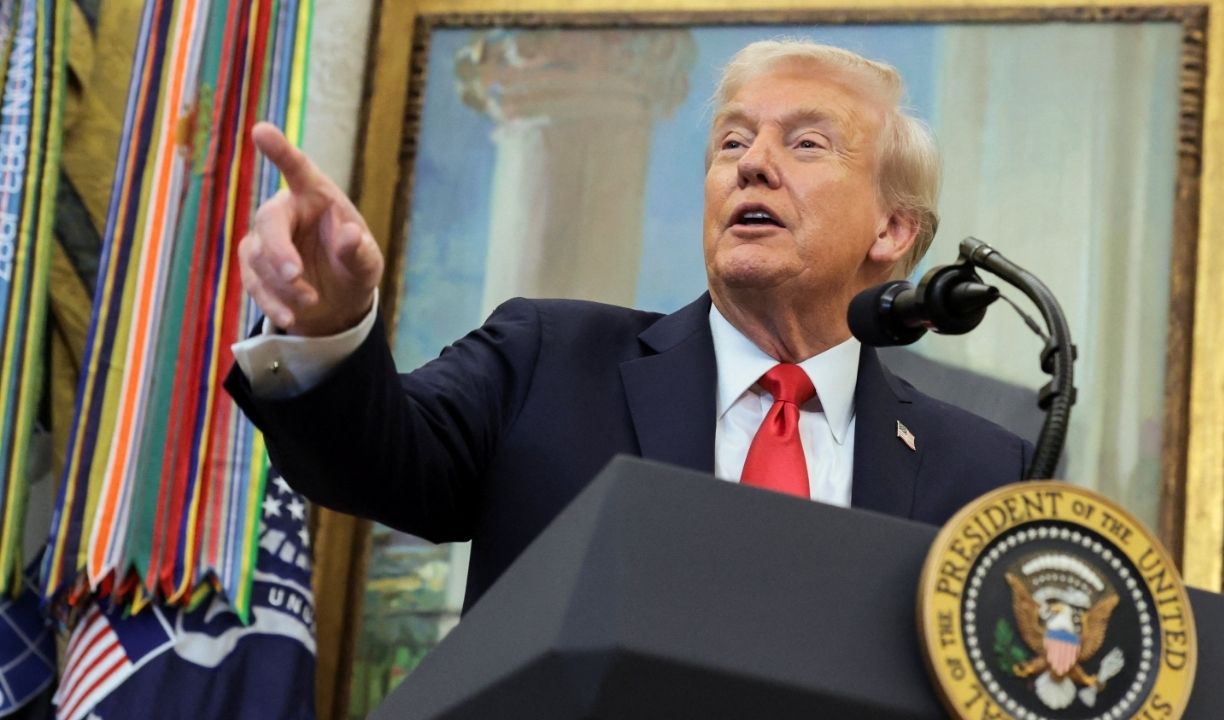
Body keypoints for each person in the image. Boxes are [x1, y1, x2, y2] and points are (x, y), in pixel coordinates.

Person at [226, 40, 1030, 611]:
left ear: (892, 231)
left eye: (806, 142)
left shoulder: (984, 472)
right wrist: (327, 327)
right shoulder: (547, 360)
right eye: (733, 141)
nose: (751, 163)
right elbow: (373, 461)